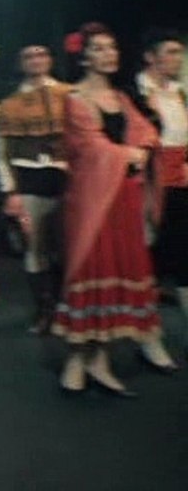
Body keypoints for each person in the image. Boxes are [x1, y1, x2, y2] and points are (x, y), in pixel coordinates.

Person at [52, 22, 176, 396]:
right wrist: (129, 154)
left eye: (113, 48)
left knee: (118, 269)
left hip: (123, 198)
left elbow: (144, 132)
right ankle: (79, 358)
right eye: (100, 48)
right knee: (91, 268)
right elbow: (89, 148)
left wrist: (145, 146)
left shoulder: (121, 98)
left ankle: (98, 360)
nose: (109, 54)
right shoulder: (74, 99)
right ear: (84, 57)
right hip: (91, 202)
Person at [0, 45, 72, 334]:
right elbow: (1, 153)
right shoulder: (10, 104)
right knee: (35, 246)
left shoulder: (69, 94)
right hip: (29, 177)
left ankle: (65, 308)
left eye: (42, 55)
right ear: (20, 63)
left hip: (66, 177)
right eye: (29, 56)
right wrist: (10, 191)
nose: (37, 60)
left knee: (66, 245)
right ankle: (45, 309)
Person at [129, 27, 188, 362]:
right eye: (170, 52)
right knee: (148, 261)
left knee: (184, 259)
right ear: (150, 57)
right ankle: (149, 341)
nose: (177, 59)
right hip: (149, 185)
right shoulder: (135, 93)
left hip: (180, 183)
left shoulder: (179, 93)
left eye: (180, 53)